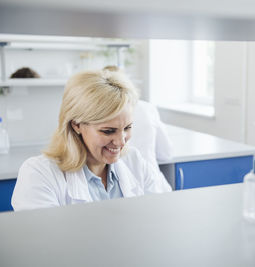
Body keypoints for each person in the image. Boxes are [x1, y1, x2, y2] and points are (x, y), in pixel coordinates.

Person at [12, 70, 171, 211]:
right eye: (108, 131)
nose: (121, 142)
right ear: (76, 125)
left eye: (127, 128)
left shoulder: (134, 161)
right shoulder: (39, 174)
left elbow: (161, 215)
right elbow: (42, 240)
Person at [102, 66, 173, 168]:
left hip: (140, 177)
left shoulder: (103, 112)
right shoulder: (147, 108)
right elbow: (166, 153)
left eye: (128, 127)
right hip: (144, 174)